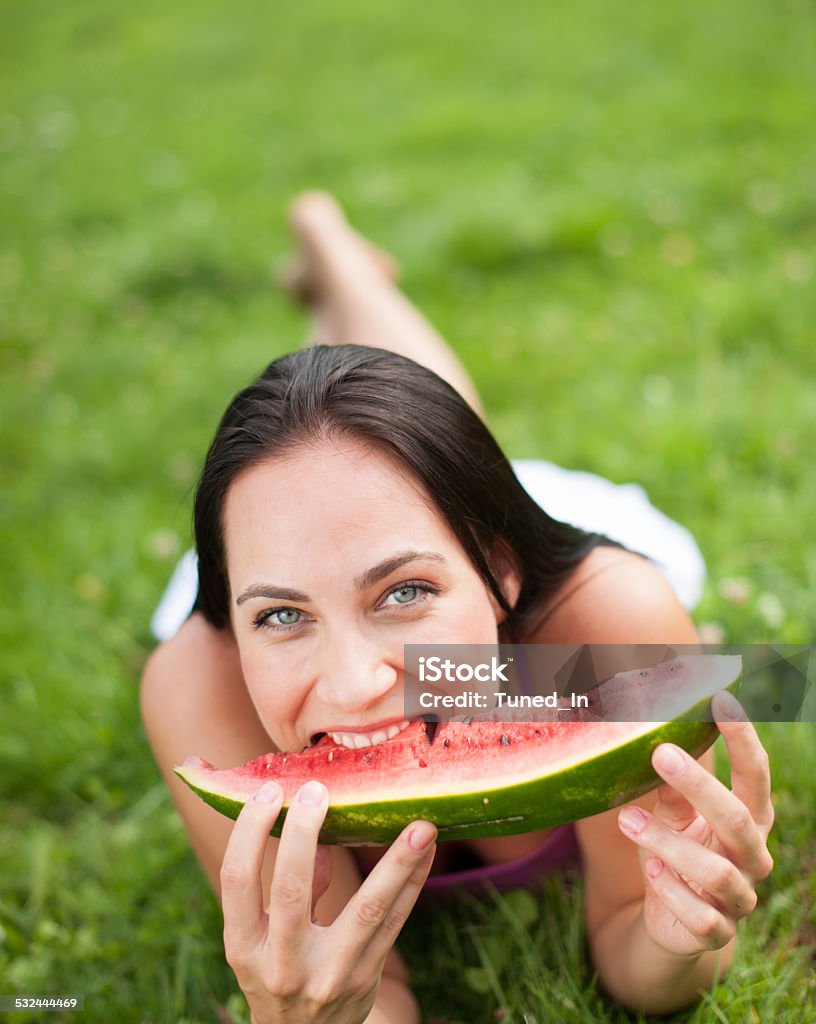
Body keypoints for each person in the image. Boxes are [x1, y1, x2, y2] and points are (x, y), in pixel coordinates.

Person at [140, 193, 774, 1023]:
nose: (356, 684)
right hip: (300, 539)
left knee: (422, 424)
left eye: (404, 595)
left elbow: (634, 945)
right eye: (283, 619)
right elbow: (371, 996)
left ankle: (334, 249)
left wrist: (681, 935)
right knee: (333, 443)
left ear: (498, 574)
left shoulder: (603, 631)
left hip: (521, 561)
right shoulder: (201, 683)